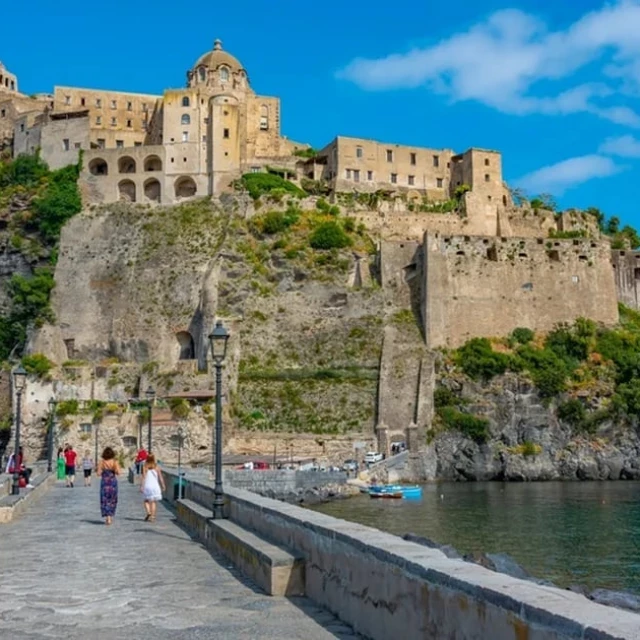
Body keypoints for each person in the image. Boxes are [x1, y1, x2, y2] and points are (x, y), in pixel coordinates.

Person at [97, 447, 120, 526]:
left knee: (105, 499)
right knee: (112, 499)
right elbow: (118, 472)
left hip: (104, 483)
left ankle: (108, 517)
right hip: (113, 483)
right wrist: (113, 469)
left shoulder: (102, 462)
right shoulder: (114, 462)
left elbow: (98, 473)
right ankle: (110, 516)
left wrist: (104, 470)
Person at [140, 454, 165, 522]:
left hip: (147, 486)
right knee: (153, 502)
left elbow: (144, 477)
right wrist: (163, 485)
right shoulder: (156, 467)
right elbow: (160, 477)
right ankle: (153, 517)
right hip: (155, 486)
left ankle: (149, 512)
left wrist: (141, 486)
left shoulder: (145, 467)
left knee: (146, 500)